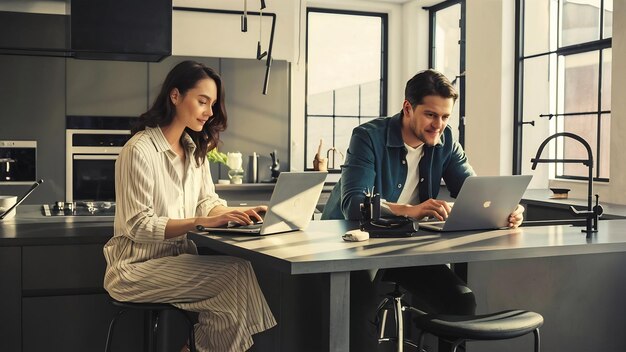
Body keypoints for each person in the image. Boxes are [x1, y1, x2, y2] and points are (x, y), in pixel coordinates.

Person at [321, 69, 524, 351]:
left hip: (403, 249)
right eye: (430, 115)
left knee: (460, 300)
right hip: (347, 247)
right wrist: (410, 210)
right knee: (358, 313)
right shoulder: (367, 137)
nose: (438, 125)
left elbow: (474, 191)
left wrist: (508, 208)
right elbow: (354, 205)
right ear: (408, 107)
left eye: (445, 116)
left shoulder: (446, 140)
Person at [103, 60, 276, 352]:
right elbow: (138, 225)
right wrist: (202, 222)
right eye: (202, 101)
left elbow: (207, 203)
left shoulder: (195, 151)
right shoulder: (139, 150)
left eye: (213, 104)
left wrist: (238, 213)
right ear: (175, 96)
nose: (209, 112)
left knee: (239, 273)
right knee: (234, 279)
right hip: (134, 269)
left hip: (178, 261)